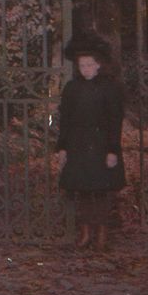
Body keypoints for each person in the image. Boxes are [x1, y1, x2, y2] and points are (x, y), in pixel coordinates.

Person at [55, 28, 126, 252]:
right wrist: (63, 147)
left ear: (98, 65)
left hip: (101, 145)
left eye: (89, 65)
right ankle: (85, 232)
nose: (85, 69)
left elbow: (115, 120)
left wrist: (113, 150)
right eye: (81, 65)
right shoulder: (72, 88)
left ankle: (102, 233)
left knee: (101, 192)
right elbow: (64, 119)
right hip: (78, 145)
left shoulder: (109, 88)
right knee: (83, 190)